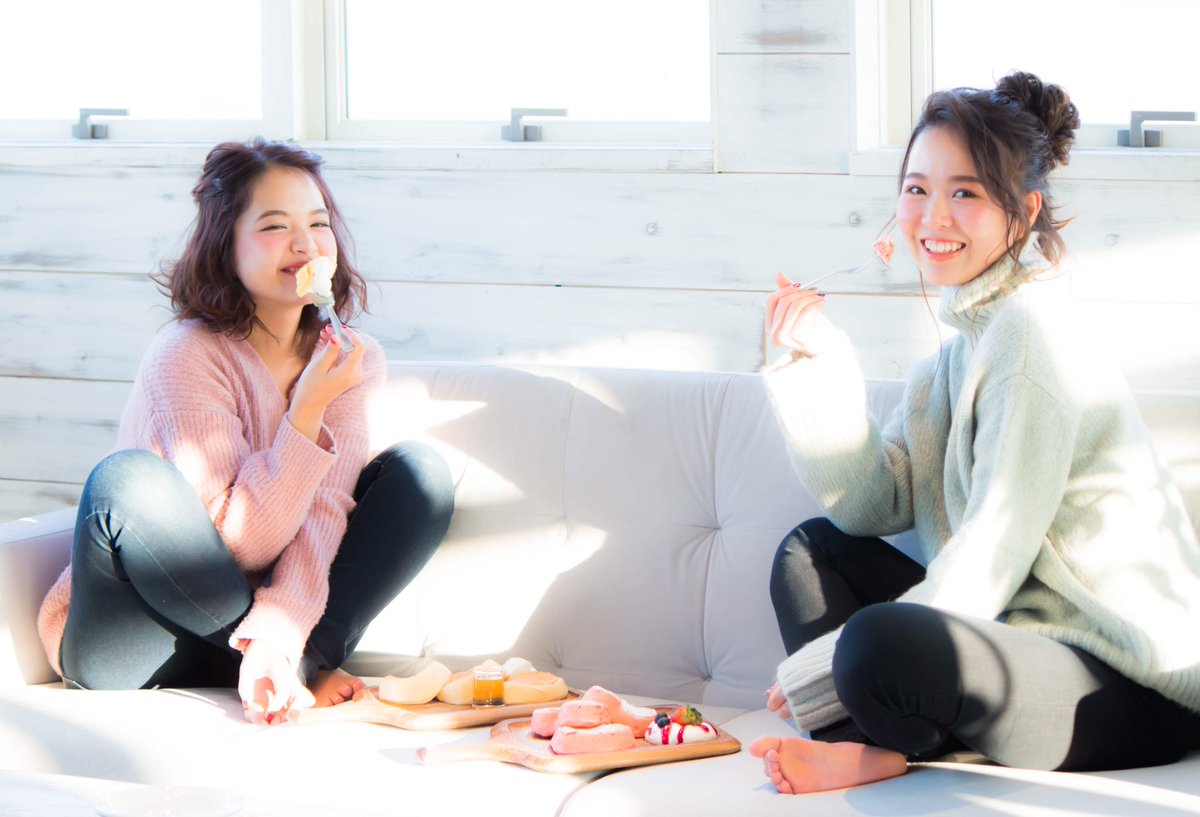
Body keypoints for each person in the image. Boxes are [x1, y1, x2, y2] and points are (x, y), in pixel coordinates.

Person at [750, 71, 1200, 793]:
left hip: (1122, 680)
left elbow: (994, 548)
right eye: (918, 188)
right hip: (1016, 643)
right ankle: (879, 749)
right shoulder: (956, 350)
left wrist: (821, 665)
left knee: (873, 644)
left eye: (965, 192)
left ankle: (878, 744)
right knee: (812, 550)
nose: (933, 216)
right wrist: (818, 362)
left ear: (1023, 211)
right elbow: (872, 504)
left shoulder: (1031, 332)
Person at [37, 137, 454, 725]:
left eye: (318, 223)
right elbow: (235, 547)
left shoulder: (350, 360)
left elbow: (324, 518)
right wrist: (304, 416)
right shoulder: (186, 355)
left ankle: (286, 661)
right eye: (275, 225)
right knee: (126, 481)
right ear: (224, 245)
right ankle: (296, 662)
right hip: (137, 642)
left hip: (258, 638)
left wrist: (277, 638)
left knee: (418, 475)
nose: (305, 243)